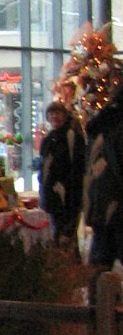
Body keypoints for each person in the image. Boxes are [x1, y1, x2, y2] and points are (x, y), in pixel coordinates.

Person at [83, 87, 123, 266]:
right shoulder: (116, 128)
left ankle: (97, 291)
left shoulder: (102, 124)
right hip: (114, 200)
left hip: (102, 200)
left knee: (101, 256)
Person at [38, 101, 85, 244]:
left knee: (66, 234)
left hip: (68, 196)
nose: (54, 117)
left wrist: (68, 189)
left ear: (64, 115)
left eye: (58, 113)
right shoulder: (49, 139)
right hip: (53, 196)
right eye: (51, 114)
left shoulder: (71, 136)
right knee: (58, 234)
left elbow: (77, 166)